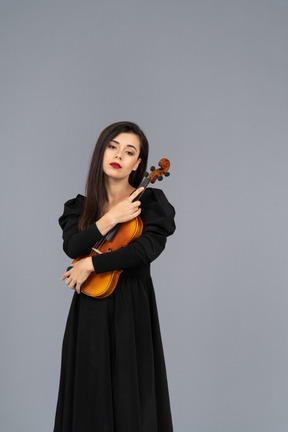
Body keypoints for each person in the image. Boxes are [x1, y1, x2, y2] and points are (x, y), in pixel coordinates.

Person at [53, 121, 176, 432]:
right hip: (90, 309)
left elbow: (145, 250)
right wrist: (110, 218)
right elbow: (73, 246)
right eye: (113, 146)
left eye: (129, 151)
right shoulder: (79, 208)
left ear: (138, 164)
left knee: (129, 393)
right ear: (101, 152)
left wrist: (91, 266)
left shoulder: (150, 203)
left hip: (131, 308)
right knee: (89, 393)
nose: (119, 154)